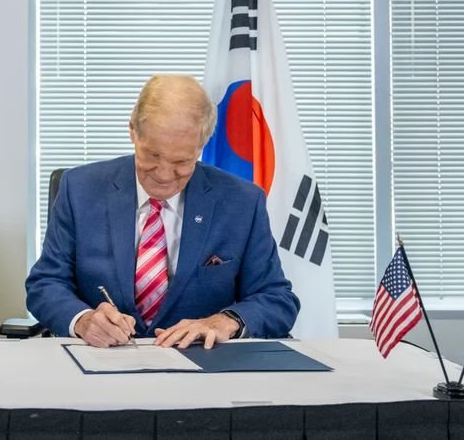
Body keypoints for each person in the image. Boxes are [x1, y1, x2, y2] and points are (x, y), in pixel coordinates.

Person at [26, 74, 298, 349]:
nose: (165, 175)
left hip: (202, 371)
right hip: (103, 364)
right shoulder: (80, 188)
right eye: (152, 156)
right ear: (133, 130)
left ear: (201, 145)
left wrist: (223, 322)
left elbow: (276, 298)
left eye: (181, 161)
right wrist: (84, 320)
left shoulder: (242, 201)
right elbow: (46, 283)